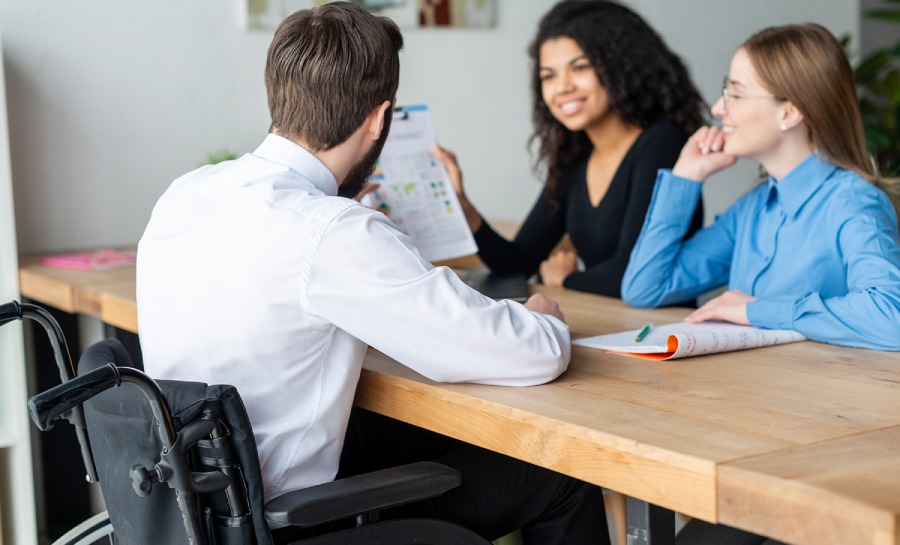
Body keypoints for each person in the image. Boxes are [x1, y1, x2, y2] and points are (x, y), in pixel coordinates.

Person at [136, 3, 609, 544]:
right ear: (380, 119)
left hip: (200, 511)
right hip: (294, 524)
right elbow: (529, 355)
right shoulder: (332, 232)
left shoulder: (187, 194)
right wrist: (543, 318)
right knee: (564, 473)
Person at [621, 22, 900, 355]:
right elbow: (645, 288)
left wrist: (757, 310)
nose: (717, 109)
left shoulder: (853, 203)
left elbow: (892, 318)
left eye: (735, 94)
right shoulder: (752, 209)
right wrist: (686, 177)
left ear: (790, 112)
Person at [437, 0, 706, 298]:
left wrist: (567, 279)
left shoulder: (662, 143)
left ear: (620, 65)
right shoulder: (575, 158)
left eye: (579, 67)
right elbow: (518, 262)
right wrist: (464, 209)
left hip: (657, 334)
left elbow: (631, 272)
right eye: (548, 76)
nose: (561, 87)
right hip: (608, 326)